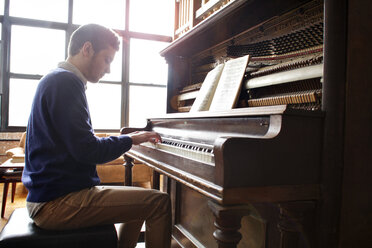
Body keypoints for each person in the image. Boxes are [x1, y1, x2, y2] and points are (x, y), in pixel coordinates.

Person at [21, 23, 171, 248]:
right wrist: (130, 139)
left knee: (139, 198)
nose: (108, 69)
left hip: (52, 196)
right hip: (56, 203)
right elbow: (88, 150)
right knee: (159, 202)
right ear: (87, 49)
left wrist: (128, 140)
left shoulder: (58, 79)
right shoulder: (65, 82)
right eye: (107, 59)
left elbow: (79, 145)